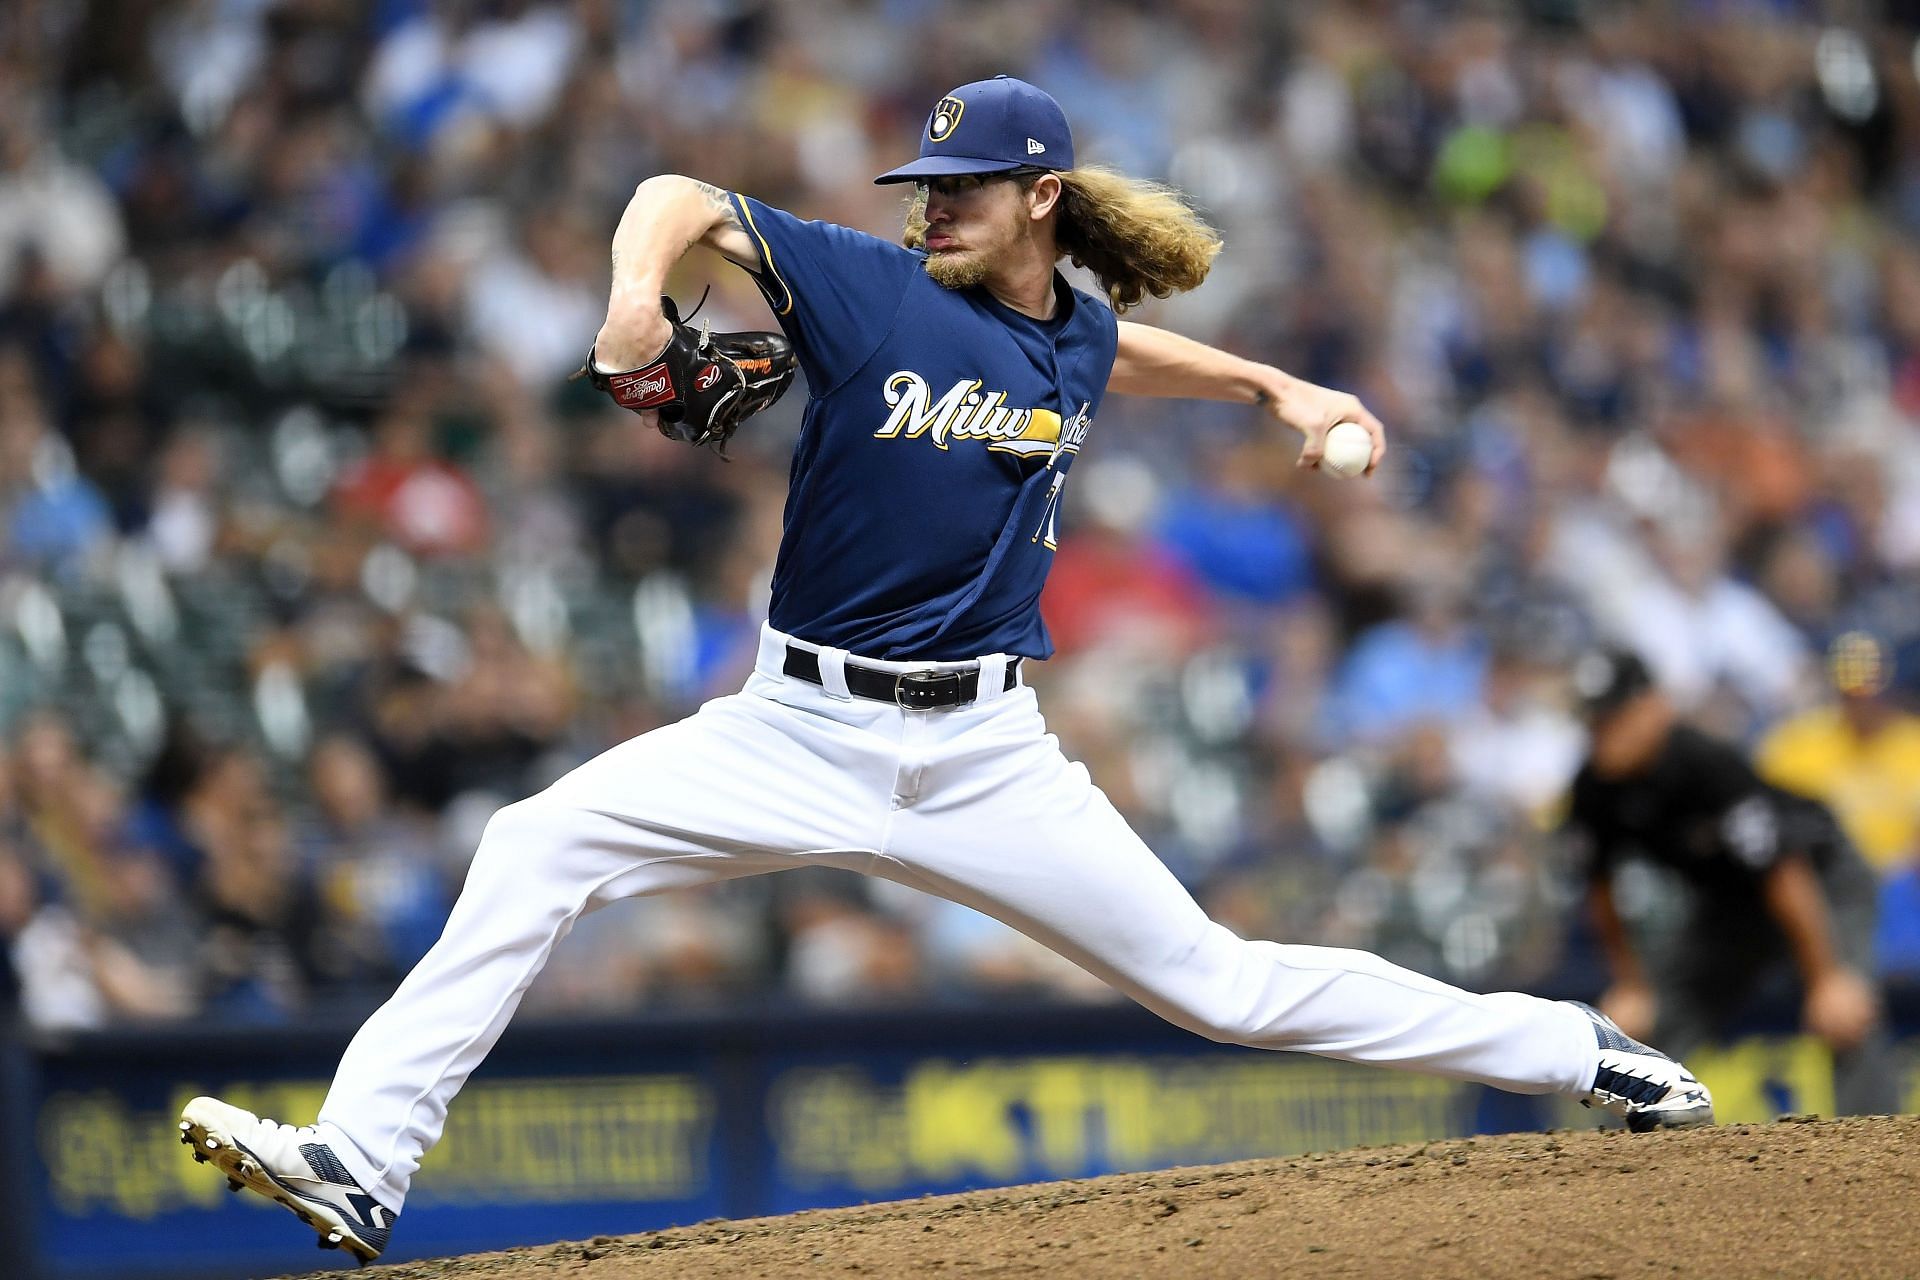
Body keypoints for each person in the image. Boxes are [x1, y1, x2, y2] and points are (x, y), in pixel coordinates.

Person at [177, 77, 1712, 1264]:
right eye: (926, 182)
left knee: (1223, 987)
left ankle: (1579, 1051)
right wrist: (636, 298)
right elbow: (673, 193)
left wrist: (1274, 383)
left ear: (1041, 196)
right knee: (533, 844)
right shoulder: (871, 286)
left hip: (988, 757)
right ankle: (366, 1163)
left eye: (964, 186)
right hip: (791, 727)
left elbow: (1124, 350)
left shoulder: (1068, 340)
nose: (934, 204)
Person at [1563, 645, 1898, 1119]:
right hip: (1732, 903)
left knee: (1845, 1013)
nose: (1601, 734)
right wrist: (1631, 984)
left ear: (1653, 707)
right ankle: (1619, 1160)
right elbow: (1601, 892)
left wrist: (1826, 978)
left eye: (1612, 718)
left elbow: (1782, 869)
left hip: (1821, 881)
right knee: (1640, 1025)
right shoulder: (1593, 787)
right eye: (1592, 722)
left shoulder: (1707, 764)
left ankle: (1874, 1150)